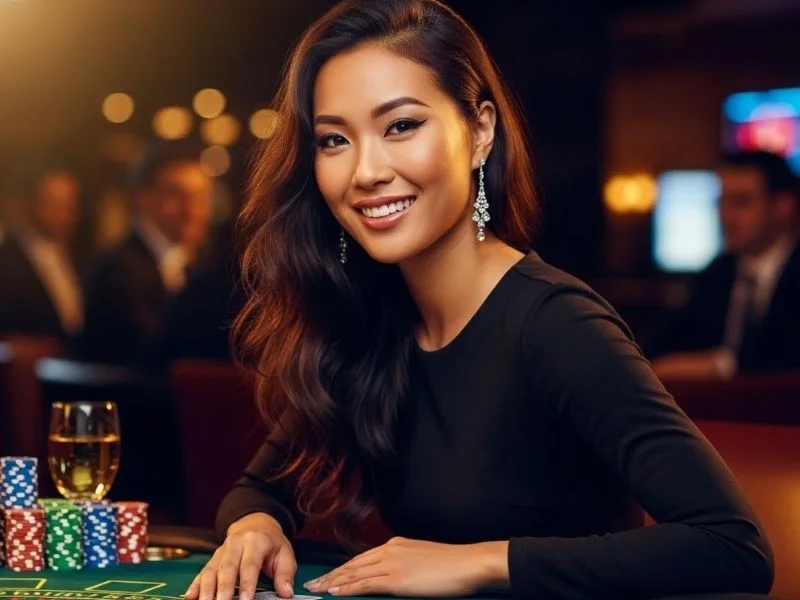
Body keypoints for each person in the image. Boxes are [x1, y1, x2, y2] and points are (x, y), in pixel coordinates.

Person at [186, 1, 774, 599]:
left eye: (401, 126)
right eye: (334, 139)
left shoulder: (557, 324)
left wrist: (484, 562)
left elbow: (733, 545)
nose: (365, 171)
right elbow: (258, 489)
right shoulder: (374, 322)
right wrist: (255, 526)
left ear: (480, 132)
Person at [649, 151, 800, 379]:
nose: (725, 217)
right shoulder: (718, 273)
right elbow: (663, 344)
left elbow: (787, 360)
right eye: (721, 202)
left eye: (741, 202)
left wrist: (721, 365)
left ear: (783, 206)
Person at [78, 141, 214, 364]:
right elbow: (151, 357)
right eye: (176, 195)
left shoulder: (198, 264)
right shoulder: (115, 269)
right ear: (143, 198)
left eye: (201, 197)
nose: (192, 210)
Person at [0, 164, 83, 339]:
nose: (63, 215)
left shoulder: (79, 257)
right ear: (31, 203)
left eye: (69, 205)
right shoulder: (7, 261)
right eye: (53, 204)